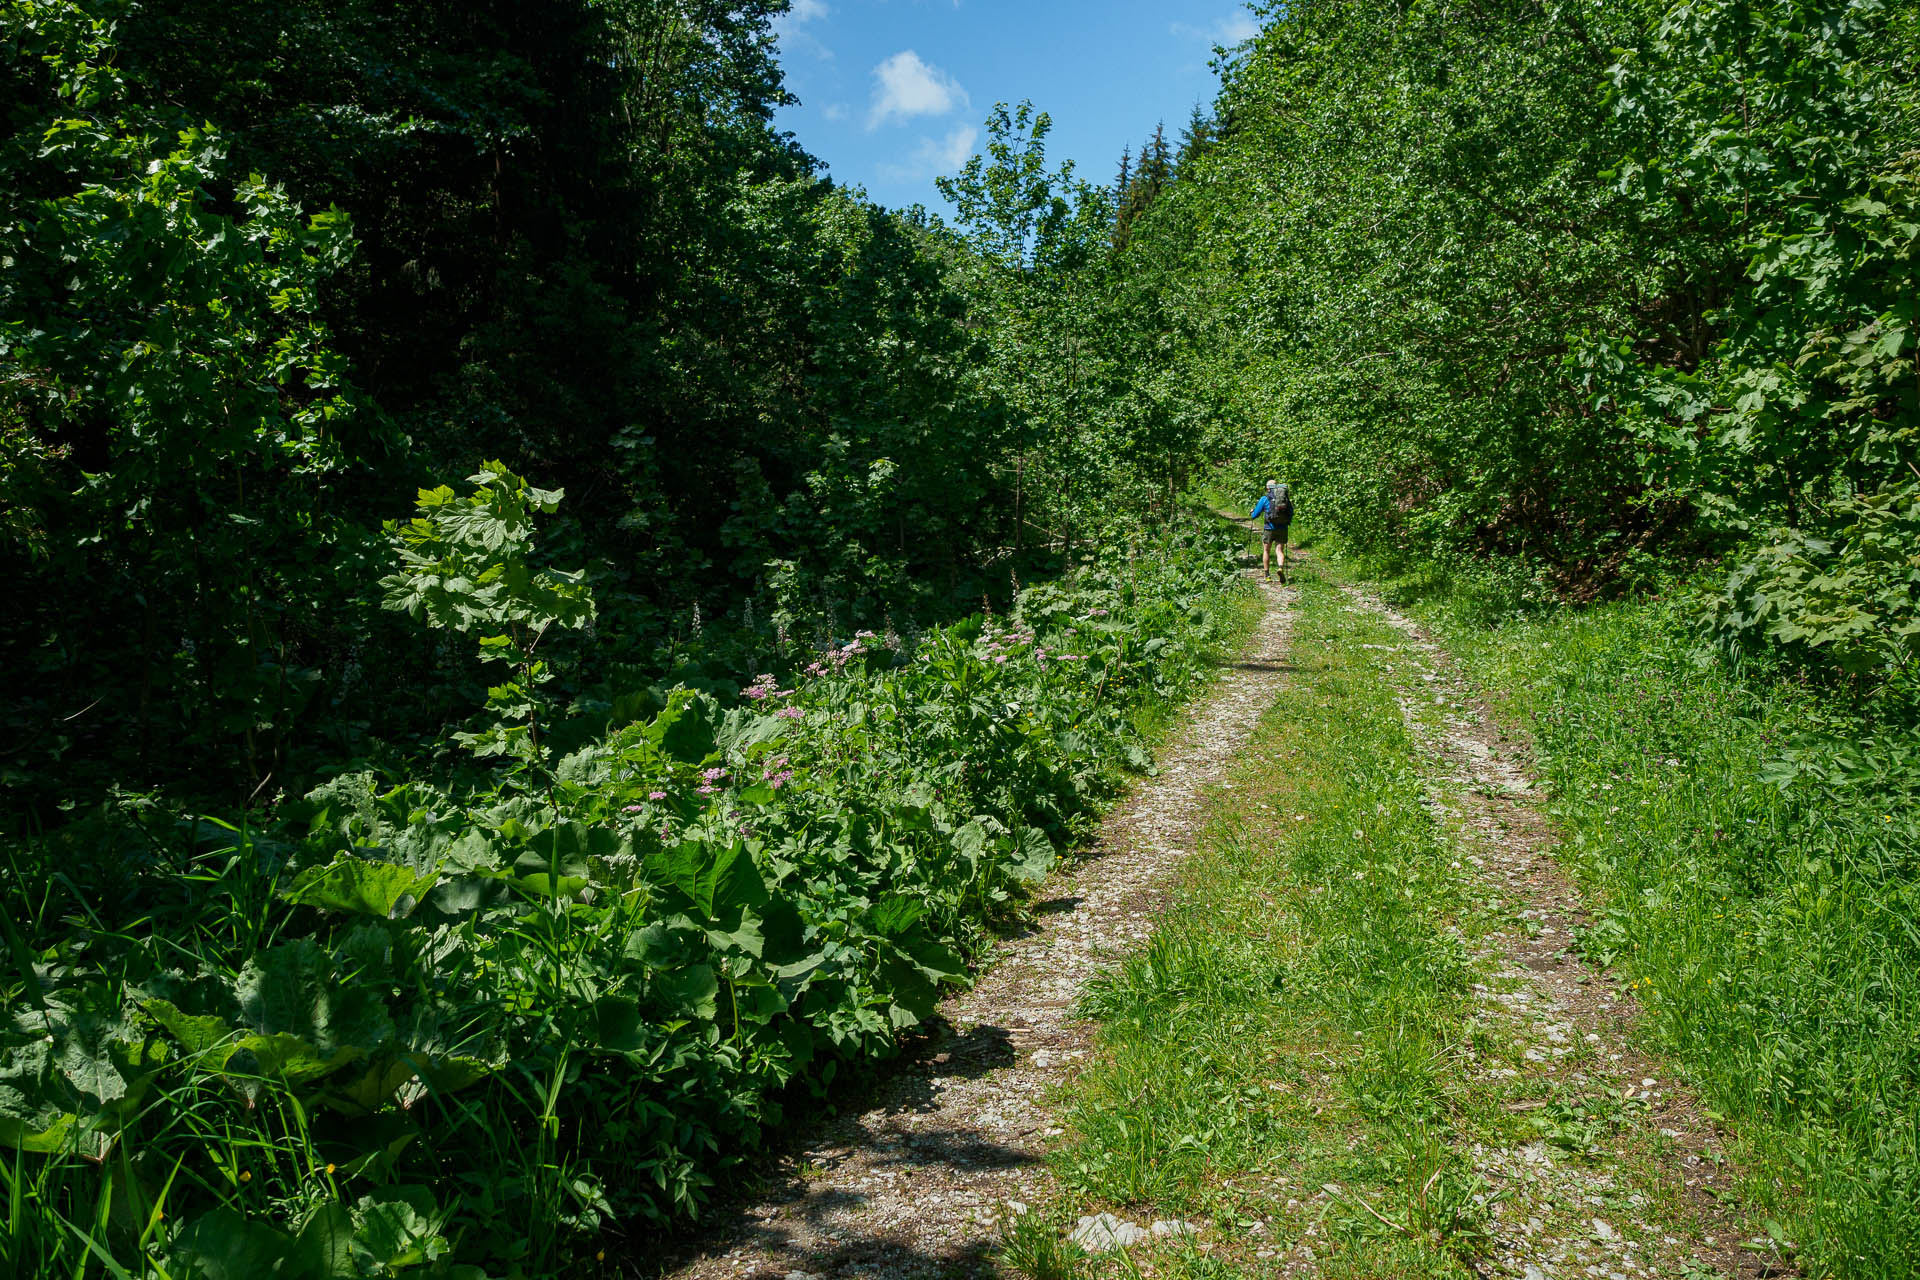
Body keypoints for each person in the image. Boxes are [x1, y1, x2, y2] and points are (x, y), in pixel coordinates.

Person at [1249, 479, 1293, 581]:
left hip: (1269, 528)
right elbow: (1291, 512)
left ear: (1267, 488)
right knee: (1279, 550)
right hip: (1282, 528)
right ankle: (1280, 567)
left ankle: (1267, 575)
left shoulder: (1265, 499)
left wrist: (1251, 513)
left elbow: (1255, 514)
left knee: (1266, 550)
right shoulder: (1284, 499)